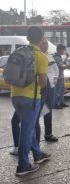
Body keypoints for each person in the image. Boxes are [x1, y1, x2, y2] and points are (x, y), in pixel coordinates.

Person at [10, 26, 51, 176]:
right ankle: (23, 165)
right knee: (27, 132)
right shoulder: (41, 56)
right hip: (31, 98)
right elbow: (42, 82)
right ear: (41, 38)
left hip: (15, 96)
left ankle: (38, 154)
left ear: (27, 38)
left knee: (29, 128)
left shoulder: (18, 51)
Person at [37, 39, 59, 142]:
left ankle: (48, 134)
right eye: (43, 43)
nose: (45, 45)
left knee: (48, 109)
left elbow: (56, 69)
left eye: (46, 43)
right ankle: (33, 137)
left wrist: (54, 80)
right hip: (38, 85)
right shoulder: (36, 55)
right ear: (38, 44)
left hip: (50, 85)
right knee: (36, 110)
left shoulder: (49, 55)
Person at [53, 44, 70, 109]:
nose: (64, 51)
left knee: (62, 90)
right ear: (60, 50)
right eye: (63, 50)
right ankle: (55, 104)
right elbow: (61, 67)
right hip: (58, 77)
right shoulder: (57, 57)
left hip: (60, 76)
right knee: (58, 91)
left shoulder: (59, 57)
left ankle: (61, 102)